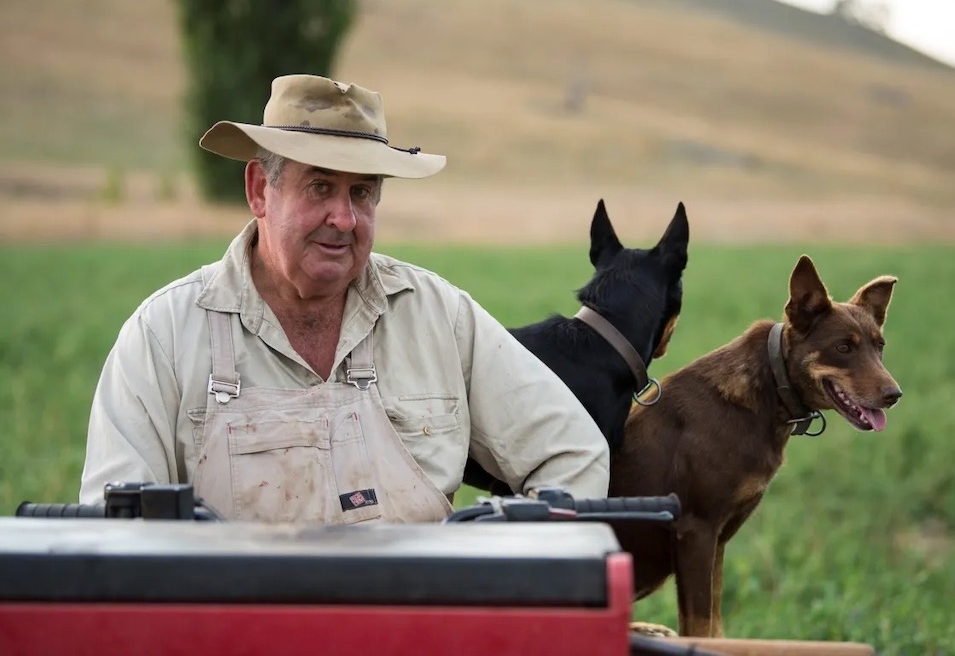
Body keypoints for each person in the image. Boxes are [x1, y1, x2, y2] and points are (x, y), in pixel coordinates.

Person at [79, 74, 609, 524]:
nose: (344, 218)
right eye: (320, 187)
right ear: (260, 190)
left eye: (361, 192)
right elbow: (116, 524)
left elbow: (574, 456)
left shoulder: (438, 317)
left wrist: (501, 583)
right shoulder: (165, 335)